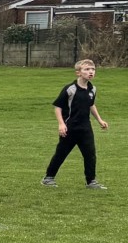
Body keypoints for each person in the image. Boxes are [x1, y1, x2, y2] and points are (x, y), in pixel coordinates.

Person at [44, 59, 109, 189]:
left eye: (93, 69)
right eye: (86, 69)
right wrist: (61, 124)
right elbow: (57, 106)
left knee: (90, 154)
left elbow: (91, 105)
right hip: (70, 128)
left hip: (85, 129)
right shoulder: (70, 89)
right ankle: (48, 178)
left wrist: (100, 120)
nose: (91, 72)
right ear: (78, 73)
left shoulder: (92, 89)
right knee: (61, 153)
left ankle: (91, 182)